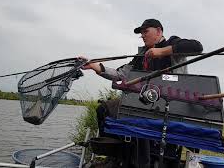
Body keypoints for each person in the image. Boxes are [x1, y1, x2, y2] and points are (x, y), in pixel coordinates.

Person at [82, 19, 203, 168]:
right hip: (140, 102)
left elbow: (197, 47)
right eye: (141, 33)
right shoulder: (141, 55)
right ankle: (116, 156)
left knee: (140, 119)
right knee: (104, 109)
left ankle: (142, 164)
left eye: (146, 32)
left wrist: (162, 51)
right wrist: (95, 67)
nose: (142, 36)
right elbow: (120, 74)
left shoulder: (172, 43)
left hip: (169, 106)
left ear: (159, 31)